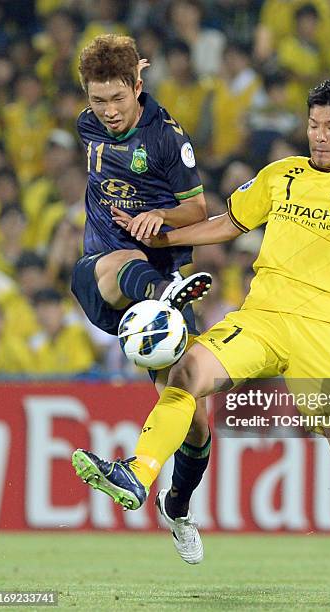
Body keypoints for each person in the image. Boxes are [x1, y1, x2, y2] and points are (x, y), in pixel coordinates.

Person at [73, 77, 330, 597]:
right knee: (187, 373)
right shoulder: (280, 175)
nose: (320, 136)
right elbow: (226, 225)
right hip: (262, 317)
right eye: (313, 125)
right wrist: (159, 233)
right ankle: (138, 470)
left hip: (324, 333)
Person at [70, 34, 214, 565]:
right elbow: (111, 73)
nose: (108, 112)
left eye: (118, 99)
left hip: (163, 268)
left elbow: (198, 211)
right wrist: (125, 67)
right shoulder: (89, 123)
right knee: (117, 262)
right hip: (108, 275)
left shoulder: (167, 140)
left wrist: (162, 218)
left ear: (138, 87)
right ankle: (163, 295)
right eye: (97, 99)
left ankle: (177, 506)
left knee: (195, 418)